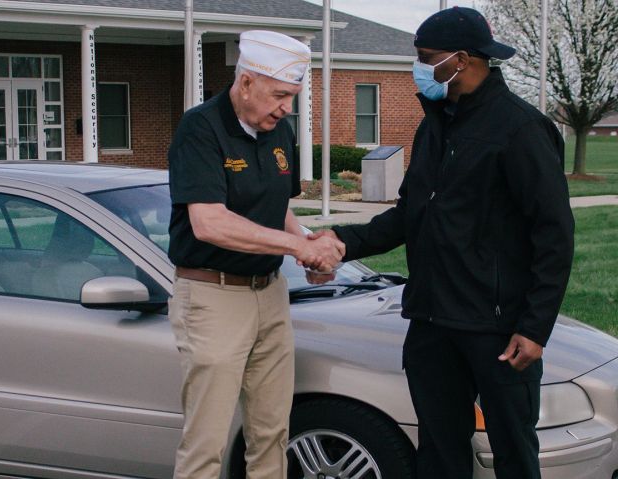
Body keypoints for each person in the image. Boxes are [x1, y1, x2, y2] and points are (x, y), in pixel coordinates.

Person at [312, 7, 574, 479]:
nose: (419, 67)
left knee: (514, 452)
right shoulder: (435, 123)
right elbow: (410, 216)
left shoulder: (519, 129)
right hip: (432, 322)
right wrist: (340, 242)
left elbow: (554, 234)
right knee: (437, 452)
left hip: (497, 329)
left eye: (426, 57)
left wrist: (535, 328)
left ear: (464, 59)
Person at [167, 30, 345, 478]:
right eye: (280, 95)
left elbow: (278, 208)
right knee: (206, 442)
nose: (287, 108)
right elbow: (210, 222)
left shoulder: (278, 129)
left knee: (271, 434)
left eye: (293, 96)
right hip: (213, 296)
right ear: (246, 82)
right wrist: (298, 245)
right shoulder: (200, 128)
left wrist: (310, 252)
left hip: (270, 294)